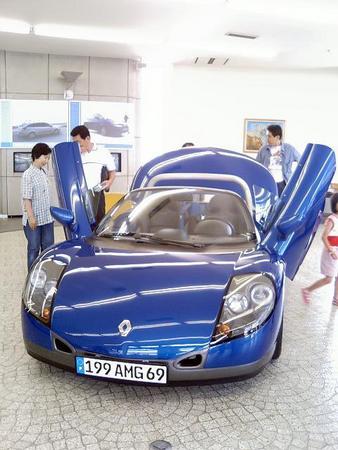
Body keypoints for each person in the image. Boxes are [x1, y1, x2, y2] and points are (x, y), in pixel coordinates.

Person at [70, 125, 116, 223]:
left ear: (87, 138)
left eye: (79, 143)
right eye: (74, 143)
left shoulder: (102, 152)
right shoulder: (75, 155)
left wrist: (109, 182)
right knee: (83, 225)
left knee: (98, 224)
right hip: (80, 196)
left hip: (97, 195)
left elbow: (112, 171)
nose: (77, 146)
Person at [21, 143, 54, 270]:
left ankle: (45, 273)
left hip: (47, 218)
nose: (46, 160)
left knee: (48, 247)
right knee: (34, 248)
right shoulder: (28, 174)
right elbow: (26, 198)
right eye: (45, 157)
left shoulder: (44, 172)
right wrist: (31, 217)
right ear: (36, 156)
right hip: (33, 219)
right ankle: (32, 276)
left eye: (48, 158)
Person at [302, 193, 338, 306]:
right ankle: (307, 290)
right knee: (329, 279)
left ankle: (336, 298)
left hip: (336, 251)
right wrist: (331, 251)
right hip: (330, 252)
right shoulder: (332, 219)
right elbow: (324, 236)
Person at [256, 125, 300, 196]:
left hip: (283, 184)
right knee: (268, 206)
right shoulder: (263, 150)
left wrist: (296, 178)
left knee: (282, 206)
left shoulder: (289, 149)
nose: (267, 139)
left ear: (277, 137)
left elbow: (301, 161)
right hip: (267, 183)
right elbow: (256, 166)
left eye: (269, 136)